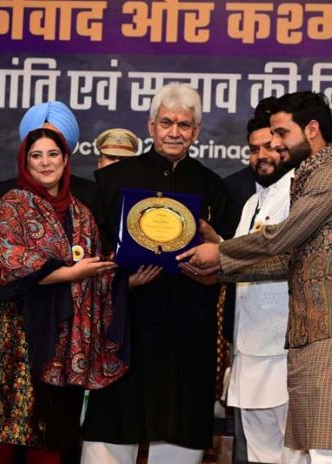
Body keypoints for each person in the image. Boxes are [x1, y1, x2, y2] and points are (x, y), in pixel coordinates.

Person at [178, 91, 332, 464]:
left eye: (280, 133)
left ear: (311, 129)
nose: (274, 143)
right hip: (312, 335)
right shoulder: (309, 178)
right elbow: (289, 261)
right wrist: (222, 271)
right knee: (313, 450)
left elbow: (283, 237)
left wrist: (221, 253)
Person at [0, 127, 152, 464]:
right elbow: (12, 259)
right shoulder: (14, 202)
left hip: (65, 337)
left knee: (52, 430)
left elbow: (96, 266)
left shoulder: (81, 212)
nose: (46, 162)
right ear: (25, 162)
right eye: (36, 155)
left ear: (66, 159)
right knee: (4, 429)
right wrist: (71, 274)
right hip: (15, 334)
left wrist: (128, 283)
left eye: (53, 154)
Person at [81, 82, 237, 464]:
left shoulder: (213, 187)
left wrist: (217, 253)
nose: (174, 132)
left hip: (187, 332)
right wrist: (123, 283)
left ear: (196, 132)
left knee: (178, 433)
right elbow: (92, 252)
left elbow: (234, 257)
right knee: (112, 432)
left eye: (184, 125)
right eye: (166, 122)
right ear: (151, 127)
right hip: (126, 327)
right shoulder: (115, 181)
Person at [226, 101, 294, 464]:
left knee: (290, 452)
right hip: (249, 348)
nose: (262, 156)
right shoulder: (253, 199)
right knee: (258, 453)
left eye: (270, 146)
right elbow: (236, 260)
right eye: (254, 150)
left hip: (283, 350)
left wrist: (217, 258)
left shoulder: (299, 193)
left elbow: (277, 260)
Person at [0, 101, 96, 271]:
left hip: (76, 294)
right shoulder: (8, 194)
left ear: (64, 155)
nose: (45, 161)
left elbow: (98, 257)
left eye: (54, 149)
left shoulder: (88, 193)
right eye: (37, 153)